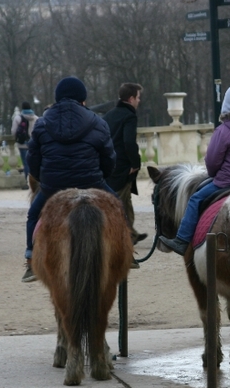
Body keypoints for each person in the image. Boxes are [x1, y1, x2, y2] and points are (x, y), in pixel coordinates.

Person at [21, 76, 117, 282]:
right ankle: (124, 253)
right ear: (83, 99)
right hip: (91, 182)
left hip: (52, 187)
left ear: (57, 98)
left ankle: (30, 259)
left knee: (33, 214)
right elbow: (109, 158)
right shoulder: (98, 122)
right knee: (117, 204)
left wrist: (44, 181)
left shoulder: (41, 123)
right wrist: (100, 178)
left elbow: (33, 160)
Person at [160, 84, 230, 256]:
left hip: (228, 182)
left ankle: (181, 240)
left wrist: (214, 175)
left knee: (195, 199)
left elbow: (211, 162)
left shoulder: (223, 130)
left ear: (226, 105)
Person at [103, 83, 147, 245]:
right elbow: (129, 142)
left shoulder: (109, 115)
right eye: (138, 97)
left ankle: (131, 233)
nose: (139, 101)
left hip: (110, 165)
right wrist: (135, 163)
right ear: (131, 99)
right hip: (122, 167)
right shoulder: (129, 116)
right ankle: (124, 236)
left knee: (123, 200)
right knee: (120, 202)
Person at [11, 101, 38, 190]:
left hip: (22, 143)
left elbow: (14, 131)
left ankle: (27, 182)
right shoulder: (36, 118)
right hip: (34, 143)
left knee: (26, 163)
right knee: (34, 162)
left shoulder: (18, 118)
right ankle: (36, 181)